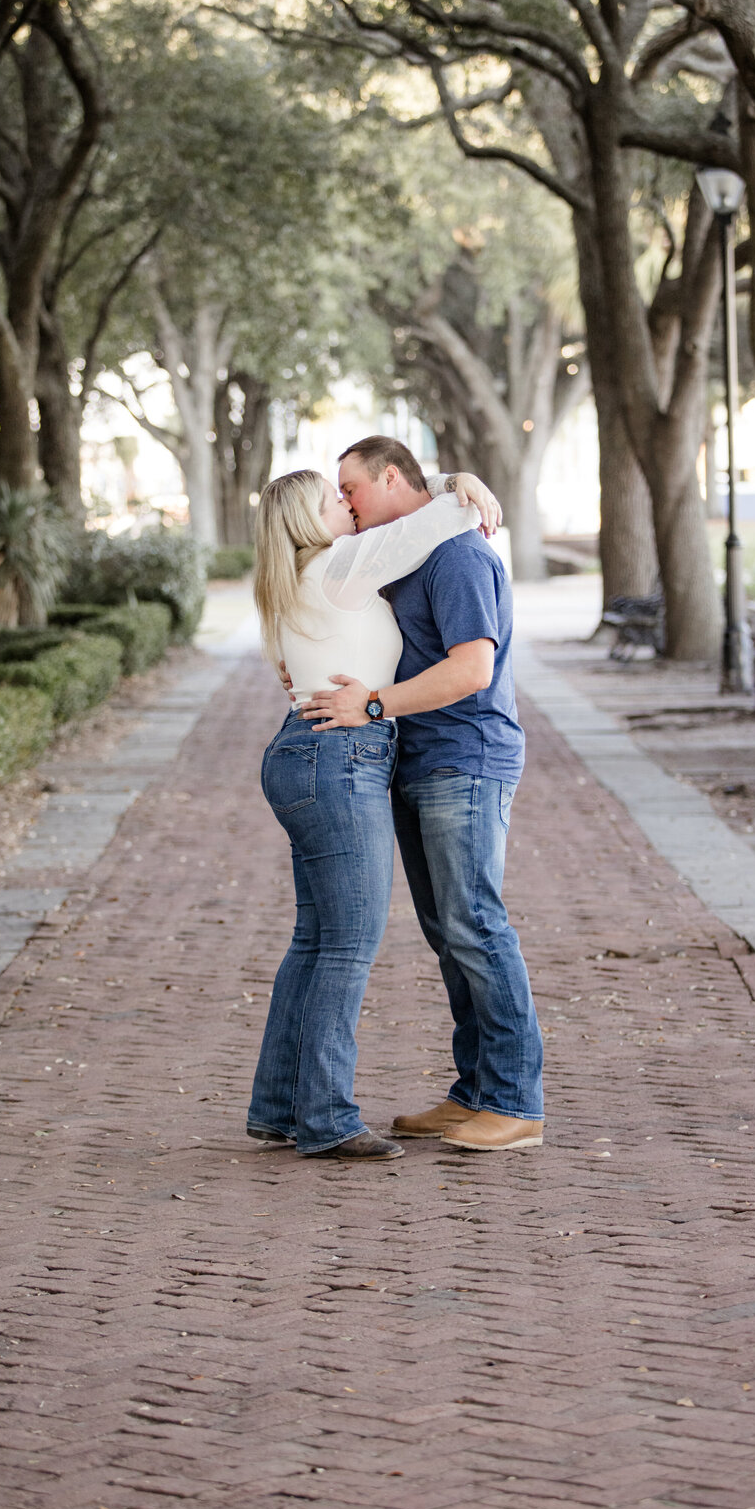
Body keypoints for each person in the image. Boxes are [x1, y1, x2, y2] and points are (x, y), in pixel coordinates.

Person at [248, 466, 501, 1161]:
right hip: (341, 757)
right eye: (334, 499)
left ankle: (279, 1106)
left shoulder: (288, 582)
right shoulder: (337, 566)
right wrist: (461, 487)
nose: (348, 505)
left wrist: (452, 479)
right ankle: (326, 1116)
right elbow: (421, 528)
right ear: (307, 522)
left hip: (306, 754)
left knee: (315, 938)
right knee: (346, 943)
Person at [304, 435, 543, 1153]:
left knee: (476, 925)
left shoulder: (460, 553)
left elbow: (472, 668)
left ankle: (514, 1100)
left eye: (351, 487)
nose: (344, 501)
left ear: (388, 476)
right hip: (422, 762)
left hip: (465, 760)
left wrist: (373, 705)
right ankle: (473, 1091)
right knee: (450, 935)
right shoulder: (413, 546)